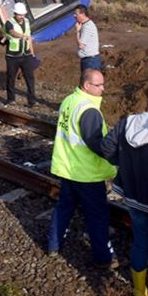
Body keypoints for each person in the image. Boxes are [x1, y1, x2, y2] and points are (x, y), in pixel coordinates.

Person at [100, 89, 148, 296]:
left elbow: (105, 148)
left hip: (132, 197)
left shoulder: (126, 123)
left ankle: (139, 293)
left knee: (140, 242)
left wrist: (122, 163)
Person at [47, 69, 118, 268]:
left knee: (63, 208)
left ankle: (53, 245)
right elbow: (98, 145)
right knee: (97, 217)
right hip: (87, 174)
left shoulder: (69, 100)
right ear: (87, 85)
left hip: (68, 168)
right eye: (99, 85)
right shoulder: (89, 110)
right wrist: (117, 160)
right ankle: (104, 258)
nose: (103, 88)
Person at [4, 2, 36, 107]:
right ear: (15, 13)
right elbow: (12, 32)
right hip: (13, 56)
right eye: (19, 15)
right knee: (11, 77)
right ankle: (11, 99)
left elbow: (29, 37)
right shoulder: (9, 22)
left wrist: (32, 52)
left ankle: (32, 101)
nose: (22, 17)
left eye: (23, 14)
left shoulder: (26, 22)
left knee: (30, 78)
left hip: (26, 55)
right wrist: (22, 36)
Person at [75, 5, 101, 73]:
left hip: (90, 61)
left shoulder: (87, 27)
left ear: (83, 14)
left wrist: (77, 31)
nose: (74, 16)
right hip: (88, 60)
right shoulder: (85, 25)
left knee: (89, 82)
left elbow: (81, 45)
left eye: (76, 14)